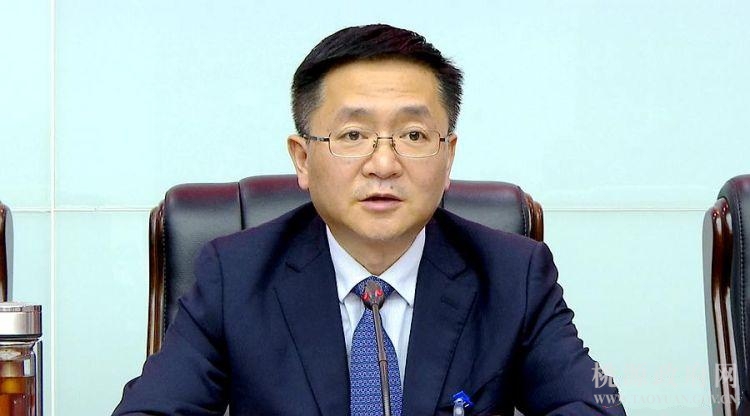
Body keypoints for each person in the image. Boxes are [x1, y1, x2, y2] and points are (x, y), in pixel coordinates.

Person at [114, 24, 624, 415]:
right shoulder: (235, 275)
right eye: (353, 136)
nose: (383, 164)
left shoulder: (515, 275)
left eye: (414, 136)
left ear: (448, 156)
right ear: (302, 159)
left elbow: (591, 406)